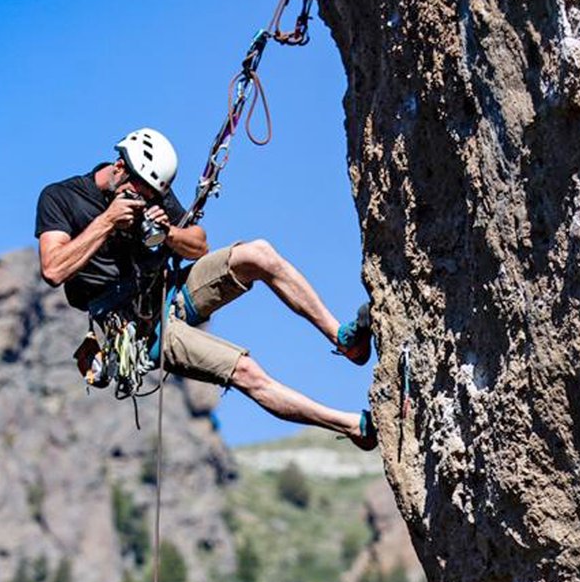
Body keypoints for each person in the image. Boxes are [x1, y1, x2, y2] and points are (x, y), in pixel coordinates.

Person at [35, 127, 377, 450]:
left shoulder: (151, 192)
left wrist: (166, 232)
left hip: (167, 291)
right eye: (141, 193)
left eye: (153, 195)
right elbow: (54, 269)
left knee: (258, 254)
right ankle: (352, 426)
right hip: (135, 328)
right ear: (120, 168)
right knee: (245, 371)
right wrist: (108, 221)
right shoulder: (62, 198)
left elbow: (199, 245)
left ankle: (344, 340)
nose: (145, 200)